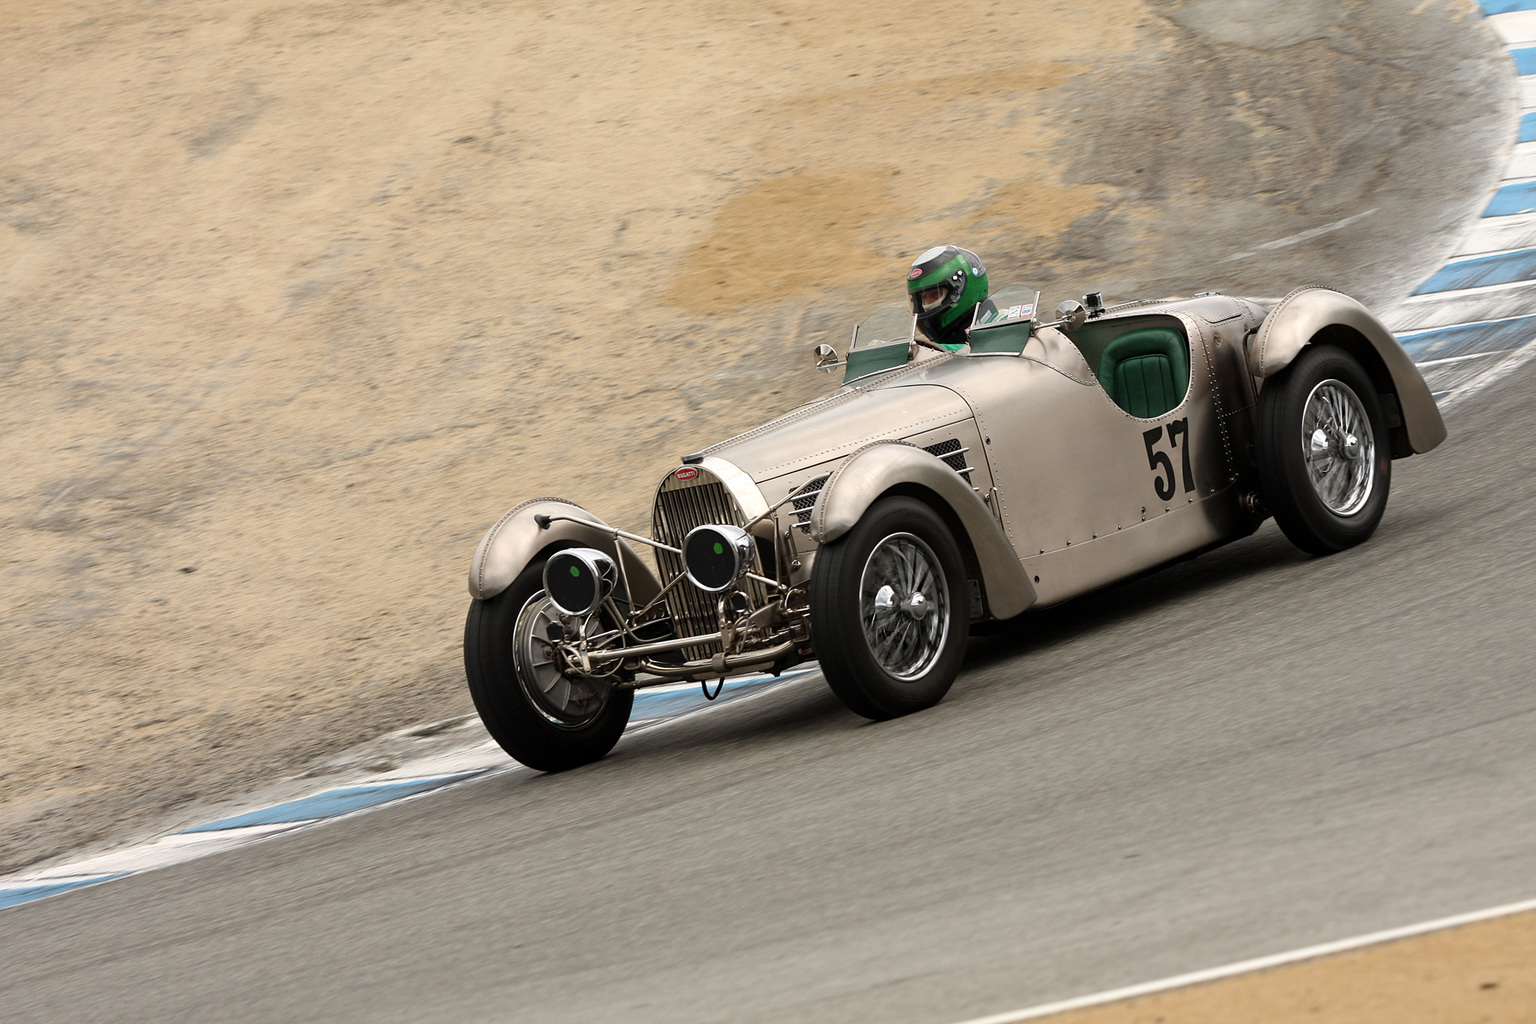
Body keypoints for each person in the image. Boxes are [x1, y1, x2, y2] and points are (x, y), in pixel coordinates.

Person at [905, 245, 989, 351]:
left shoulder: (1001, 324)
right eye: (923, 297)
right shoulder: (931, 348)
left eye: (935, 294)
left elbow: (963, 350)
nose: (926, 304)